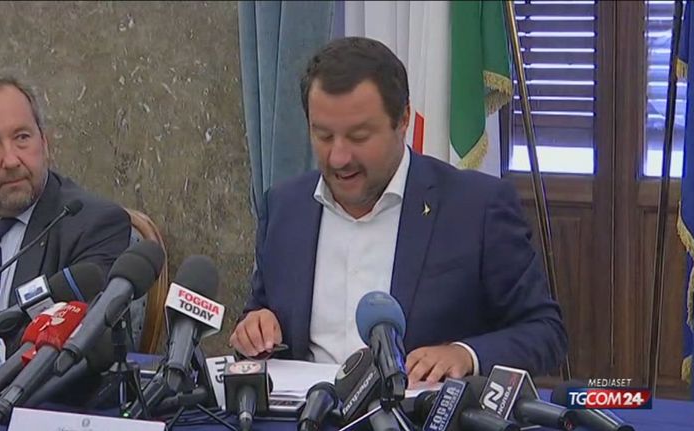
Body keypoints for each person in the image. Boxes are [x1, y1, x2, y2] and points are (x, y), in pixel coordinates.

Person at [230, 37, 567, 384]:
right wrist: (255, 330)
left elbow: (545, 332)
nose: (339, 157)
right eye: (324, 136)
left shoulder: (476, 207)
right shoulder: (285, 208)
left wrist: (465, 355)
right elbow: (259, 315)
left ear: (403, 119)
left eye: (359, 136)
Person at [0, 69, 131, 324]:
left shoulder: (94, 225)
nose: (11, 160)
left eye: (22, 137)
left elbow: (78, 336)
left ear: (45, 143)